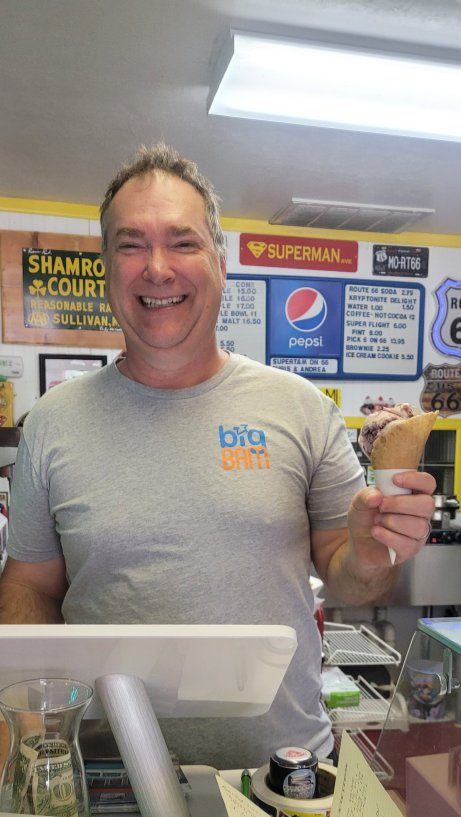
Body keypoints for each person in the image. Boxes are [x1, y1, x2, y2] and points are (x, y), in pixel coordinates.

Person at [0, 143, 435, 769]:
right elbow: (30, 586)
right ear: (106, 268)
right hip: (103, 774)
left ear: (220, 264)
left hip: (280, 773)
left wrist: (371, 552)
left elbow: (352, 576)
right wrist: (26, 733)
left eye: (182, 242)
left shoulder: (300, 409)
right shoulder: (51, 422)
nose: (157, 268)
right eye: (130, 245)